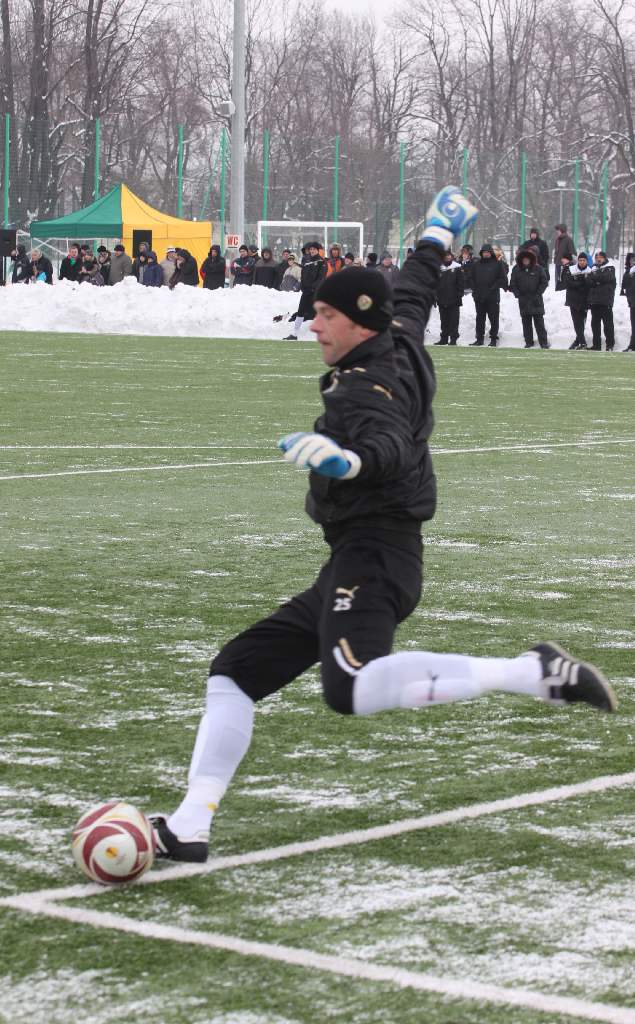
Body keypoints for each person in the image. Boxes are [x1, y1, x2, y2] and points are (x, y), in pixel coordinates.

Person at [149, 185, 616, 865]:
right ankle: (190, 823)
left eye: (325, 315)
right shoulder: (395, 331)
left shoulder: (368, 388)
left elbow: (388, 444)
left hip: (378, 557)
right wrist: (435, 235)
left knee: (352, 687)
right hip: (352, 559)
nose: (313, 325)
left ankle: (529, 672)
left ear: (357, 323)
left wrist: (346, 461)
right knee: (233, 673)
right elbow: (417, 286)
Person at [284, 241, 327, 339]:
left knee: (318, 312)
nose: (311, 251)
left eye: (314, 249)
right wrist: (303, 287)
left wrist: (313, 288)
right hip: (306, 291)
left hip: (315, 291)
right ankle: (294, 334)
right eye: (310, 249)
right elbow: (303, 275)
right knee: (301, 311)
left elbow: (321, 277)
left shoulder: (322, 262)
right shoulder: (306, 261)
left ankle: (324, 333)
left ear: (318, 250)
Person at [469, 243, 508, 346]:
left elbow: (503, 279)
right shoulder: (476, 265)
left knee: (494, 319)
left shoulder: (498, 264)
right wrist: (475, 291)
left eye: (488, 252)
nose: (486, 254)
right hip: (479, 296)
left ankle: (493, 339)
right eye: (484, 252)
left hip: (492, 296)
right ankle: (479, 339)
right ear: (481, 253)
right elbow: (471, 279)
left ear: (491, 253)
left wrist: (493, 287)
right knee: (480, 319)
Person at [509, 248, 549, 348]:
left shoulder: (538, 269)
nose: (526, 261)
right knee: (526, 323)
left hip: (536, 300)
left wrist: (538, 293)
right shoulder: (516, 269)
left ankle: (543, 342)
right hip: (523, 300)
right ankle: (528, 342)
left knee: (539, 323)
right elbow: (513, 283)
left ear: (531, 259)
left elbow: (544, 282)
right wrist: (517, 294)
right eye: (524, 259)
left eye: (527, 259)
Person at [559, 253, 591, 350]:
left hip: (585, 301)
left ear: (586, 261)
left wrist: (579, 283)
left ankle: (579, 342)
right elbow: (568, 283)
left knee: (581, 323)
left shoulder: (590, 271)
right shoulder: (571, 269)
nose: (582, 262)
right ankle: (582, 342)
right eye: (580, 260)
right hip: (573, 300)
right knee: (576, 322)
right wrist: (581, 282)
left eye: (584, 260)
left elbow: (590, 284)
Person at [587, 250, 616, 351]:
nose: (598, 259)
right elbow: (589, 281)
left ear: (604, 258)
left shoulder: (610, 268)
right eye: (597, 258)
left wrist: (595, 279)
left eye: (600, 257)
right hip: (594, 301)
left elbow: (606, 278)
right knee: (595, 325)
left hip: (605, 301)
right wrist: (596, 280)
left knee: (608, 325)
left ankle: (610, 345)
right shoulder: (593, 268)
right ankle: (596, 345)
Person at [433, 250, 464, 345]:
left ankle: (453, 339)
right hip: (441, 299)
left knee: (454, 320)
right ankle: (444, 338)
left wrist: (459, 295)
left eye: (449, 255)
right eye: (445, 256)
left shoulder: (457, 267)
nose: (447, 257)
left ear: (452, 256)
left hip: (454, 300)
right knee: (444, 320)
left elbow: (461, 284)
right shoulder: (439, 268)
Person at [620, 253, 635, 353]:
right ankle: (632, 345)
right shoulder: (628, 271)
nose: (633, 261)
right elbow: (625, 285)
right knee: (633, 325)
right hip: (632, 301)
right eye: (631, 260)